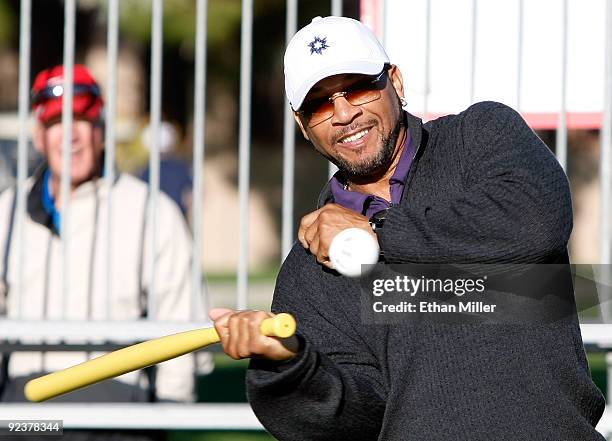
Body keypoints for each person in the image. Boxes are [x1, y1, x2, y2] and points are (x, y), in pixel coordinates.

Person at [209, 16, 606, 440]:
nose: (344, 114)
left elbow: (535, 222)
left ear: (394, 82)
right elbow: (353, 423)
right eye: (320, 104)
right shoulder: (311, 270)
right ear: (302, 124)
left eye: (358, 87)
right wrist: (290, 366)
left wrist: (379, 232)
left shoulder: (479, 137)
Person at [0, 65, 196, 437]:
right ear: (39, 135)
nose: (71, 136)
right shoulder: (7, 211)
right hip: (26, 417)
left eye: (84, 120)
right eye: (57, 121)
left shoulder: (151, 211)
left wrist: (171, 414)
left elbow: (179, 322)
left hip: (118, 417)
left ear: (102, 132)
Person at [138, 121, 193, 218]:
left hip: (155, 218)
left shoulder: (146, 170)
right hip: (179, 218)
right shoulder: (182, 167)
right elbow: (191, 195)